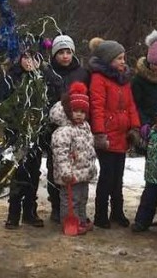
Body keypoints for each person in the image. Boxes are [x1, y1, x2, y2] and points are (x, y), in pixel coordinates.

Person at [88, 37, 141, 229]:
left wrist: (134, 127)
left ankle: (117, 212)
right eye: (119, 58)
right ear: (108, 59)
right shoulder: (98, 78)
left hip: (122, 134)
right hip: (108, 136)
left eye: (123, 57)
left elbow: (131, 105)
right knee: (107, 176)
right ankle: (101, 214)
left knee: (119, 177)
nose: (123, 61)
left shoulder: (123, 79)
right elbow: (97, 106)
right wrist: (100, 133)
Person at [43, 34, 90, 223]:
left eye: (68, 52)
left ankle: (76, 210)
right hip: (55, 126)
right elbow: (44, 99)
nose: (65, 56)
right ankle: (57, 206)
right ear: (55, 55)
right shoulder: (47, 73)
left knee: (78, 167)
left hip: (78, 126)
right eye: (61, 52)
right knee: (56, 167)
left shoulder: (82, 73)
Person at [0, 49, 45, 229]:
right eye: (25, 57)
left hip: (36, 134)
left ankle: (30, 212)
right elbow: (1, 105)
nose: (29, 61)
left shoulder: (41, 79)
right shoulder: (10, 79)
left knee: (34, 173)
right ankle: (13, 214)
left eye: (34, 57)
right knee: (18, 174)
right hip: (16, 135)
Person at [50, 82, 97, 235]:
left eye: (82, 112)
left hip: (83, 173)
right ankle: (70, 222)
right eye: (75, 111)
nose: (79, 114)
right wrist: (66, 172)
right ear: (69, 112)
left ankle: (81, 220)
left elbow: (89, 149)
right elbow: (60, 154)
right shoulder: (64, 131)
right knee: (70, 200)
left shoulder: (85, 127)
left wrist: (91, 167)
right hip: (70, 174)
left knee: (82, 198)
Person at [132, 105, 157, 233]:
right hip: (151, 175)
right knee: (147, 202)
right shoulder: (152, 133)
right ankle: (142, 222)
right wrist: (138, 140)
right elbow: (144, 149)